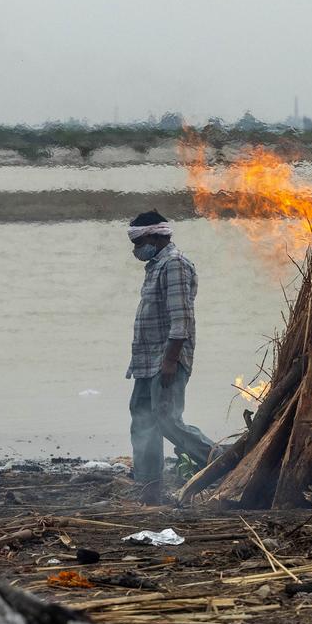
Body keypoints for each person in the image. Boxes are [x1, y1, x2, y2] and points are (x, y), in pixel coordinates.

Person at [125, 211, 214, 504]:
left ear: (155, 236)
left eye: (138, 242)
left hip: (166, 360)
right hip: (146, 361)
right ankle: (149, 488)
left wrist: (170, 361)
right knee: (142, 420)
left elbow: (181, 320)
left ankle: (220, 462)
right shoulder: (156, 266)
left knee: (167, 420)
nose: (136, 249)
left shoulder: (174, 264)